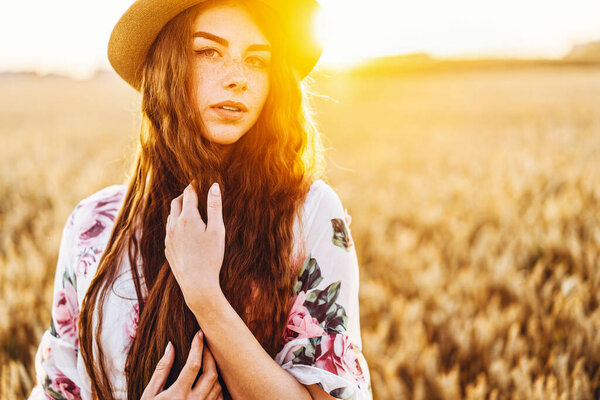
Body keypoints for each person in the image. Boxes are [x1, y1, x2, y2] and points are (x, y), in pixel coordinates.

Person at [28, 0, 372, 399]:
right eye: (208, 51)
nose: (238, 78)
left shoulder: (309, 214)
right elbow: (55, 390)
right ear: (165, 68)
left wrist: (204, 295)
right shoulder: (92, 225)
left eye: (257, 61)